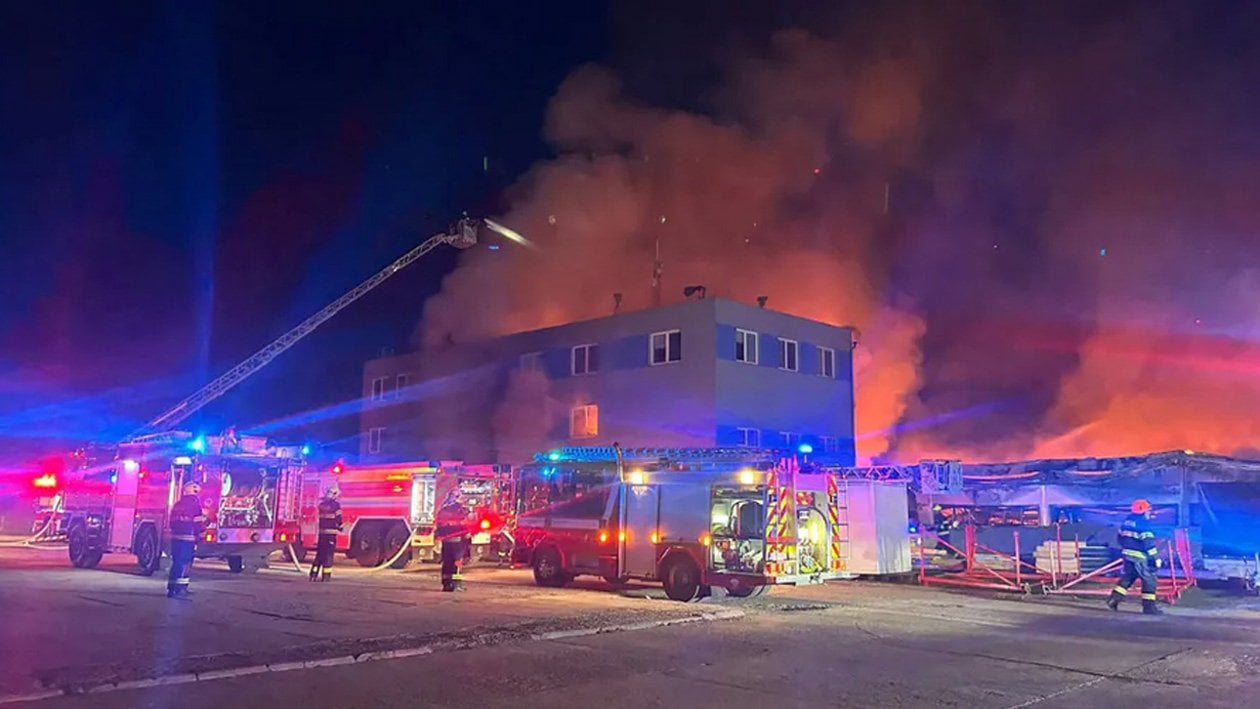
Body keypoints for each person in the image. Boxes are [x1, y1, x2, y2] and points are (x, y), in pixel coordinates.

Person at [1107, 499, 1163, 615]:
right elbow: (1148, 543)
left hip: (1127, 555)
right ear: (1143, 510)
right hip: (1140, 557)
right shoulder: (1143, 523)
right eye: (1148, 510)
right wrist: (1154, 558)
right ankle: (1149, 608)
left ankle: (1114, 599)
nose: (1150, 513)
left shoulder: (1127, 521)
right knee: (1149, 580)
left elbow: (1120, 538)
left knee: (1128, 578)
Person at [168, 481, 207, 599]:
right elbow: (198, 522)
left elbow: (172, 522)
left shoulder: (178, 504)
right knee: (185, 564)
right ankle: (180, 590)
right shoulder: (195, 504)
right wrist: (201, 534)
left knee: (177, 563)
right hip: (188, 539)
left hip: (176, 539)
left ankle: (172, 589)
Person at [435, 499, 471, 592]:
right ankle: (456, 584)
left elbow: (439, 527)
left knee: (447, 564)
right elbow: (465, 526)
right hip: (457, 543)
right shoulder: (460, 512)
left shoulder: (444, 510)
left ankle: (446, 584)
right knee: (457, 564)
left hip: (446, 542)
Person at [310, 486, 342, 581]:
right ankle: (326, 577)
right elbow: (339, 519)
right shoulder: (336, 506)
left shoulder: (322, 505)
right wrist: (340, 527)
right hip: (331, 534)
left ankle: (313, 575)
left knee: (319, 554)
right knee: (328, 555)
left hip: (322, 533)